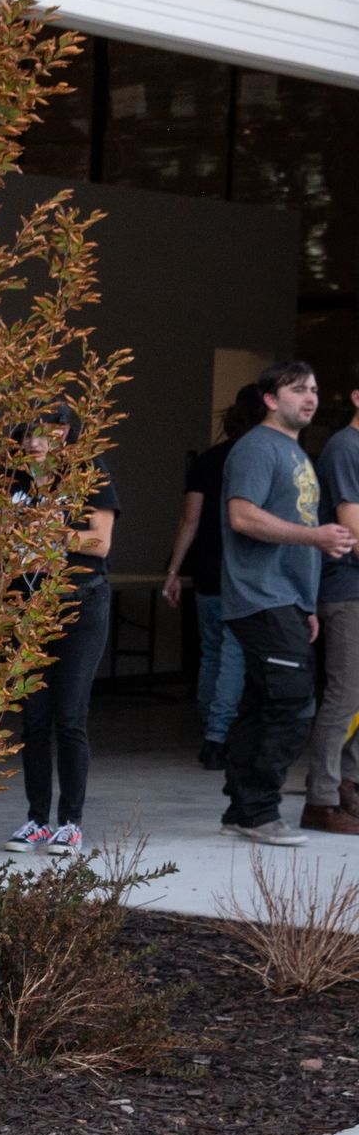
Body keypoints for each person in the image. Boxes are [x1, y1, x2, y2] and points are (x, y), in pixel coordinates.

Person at [220, 359, 356, 846]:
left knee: (262, 703)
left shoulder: (297, 452)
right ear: (271, 399)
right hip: (259, 595)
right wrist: (314, 535)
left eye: (315, 389)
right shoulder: (257, 448)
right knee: (292, 702)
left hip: (287, 601)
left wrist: (308, 606)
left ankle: (242, 809)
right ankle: (260, 813)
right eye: (298, 390)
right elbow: (242, 517)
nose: (311, 397)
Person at [3, 408, 115, 858]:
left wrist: (47, 532)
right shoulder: (13, 480)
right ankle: (35, 819)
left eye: (43, 433)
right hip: (27, 605)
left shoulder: (90, 473)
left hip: (80, 602)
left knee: (69, 716)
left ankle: (70, 823)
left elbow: (100, 543)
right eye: (26, 434)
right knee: (33, 717)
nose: (33, 443)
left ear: (65, 433)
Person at [161, 384, 263, 769]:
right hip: (242, 570)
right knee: (234, 654)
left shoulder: (206, 461)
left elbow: (190, 517)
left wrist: (173, 570)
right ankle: (218, 736)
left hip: (206, 568)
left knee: (212, 653)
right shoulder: (258, 459)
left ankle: (210, 727)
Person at [302, 368, 359, 836]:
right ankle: (321, 800)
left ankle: (347, 784)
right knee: (344, 694)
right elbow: (352, 531)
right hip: (347, 590)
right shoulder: (346, 447)